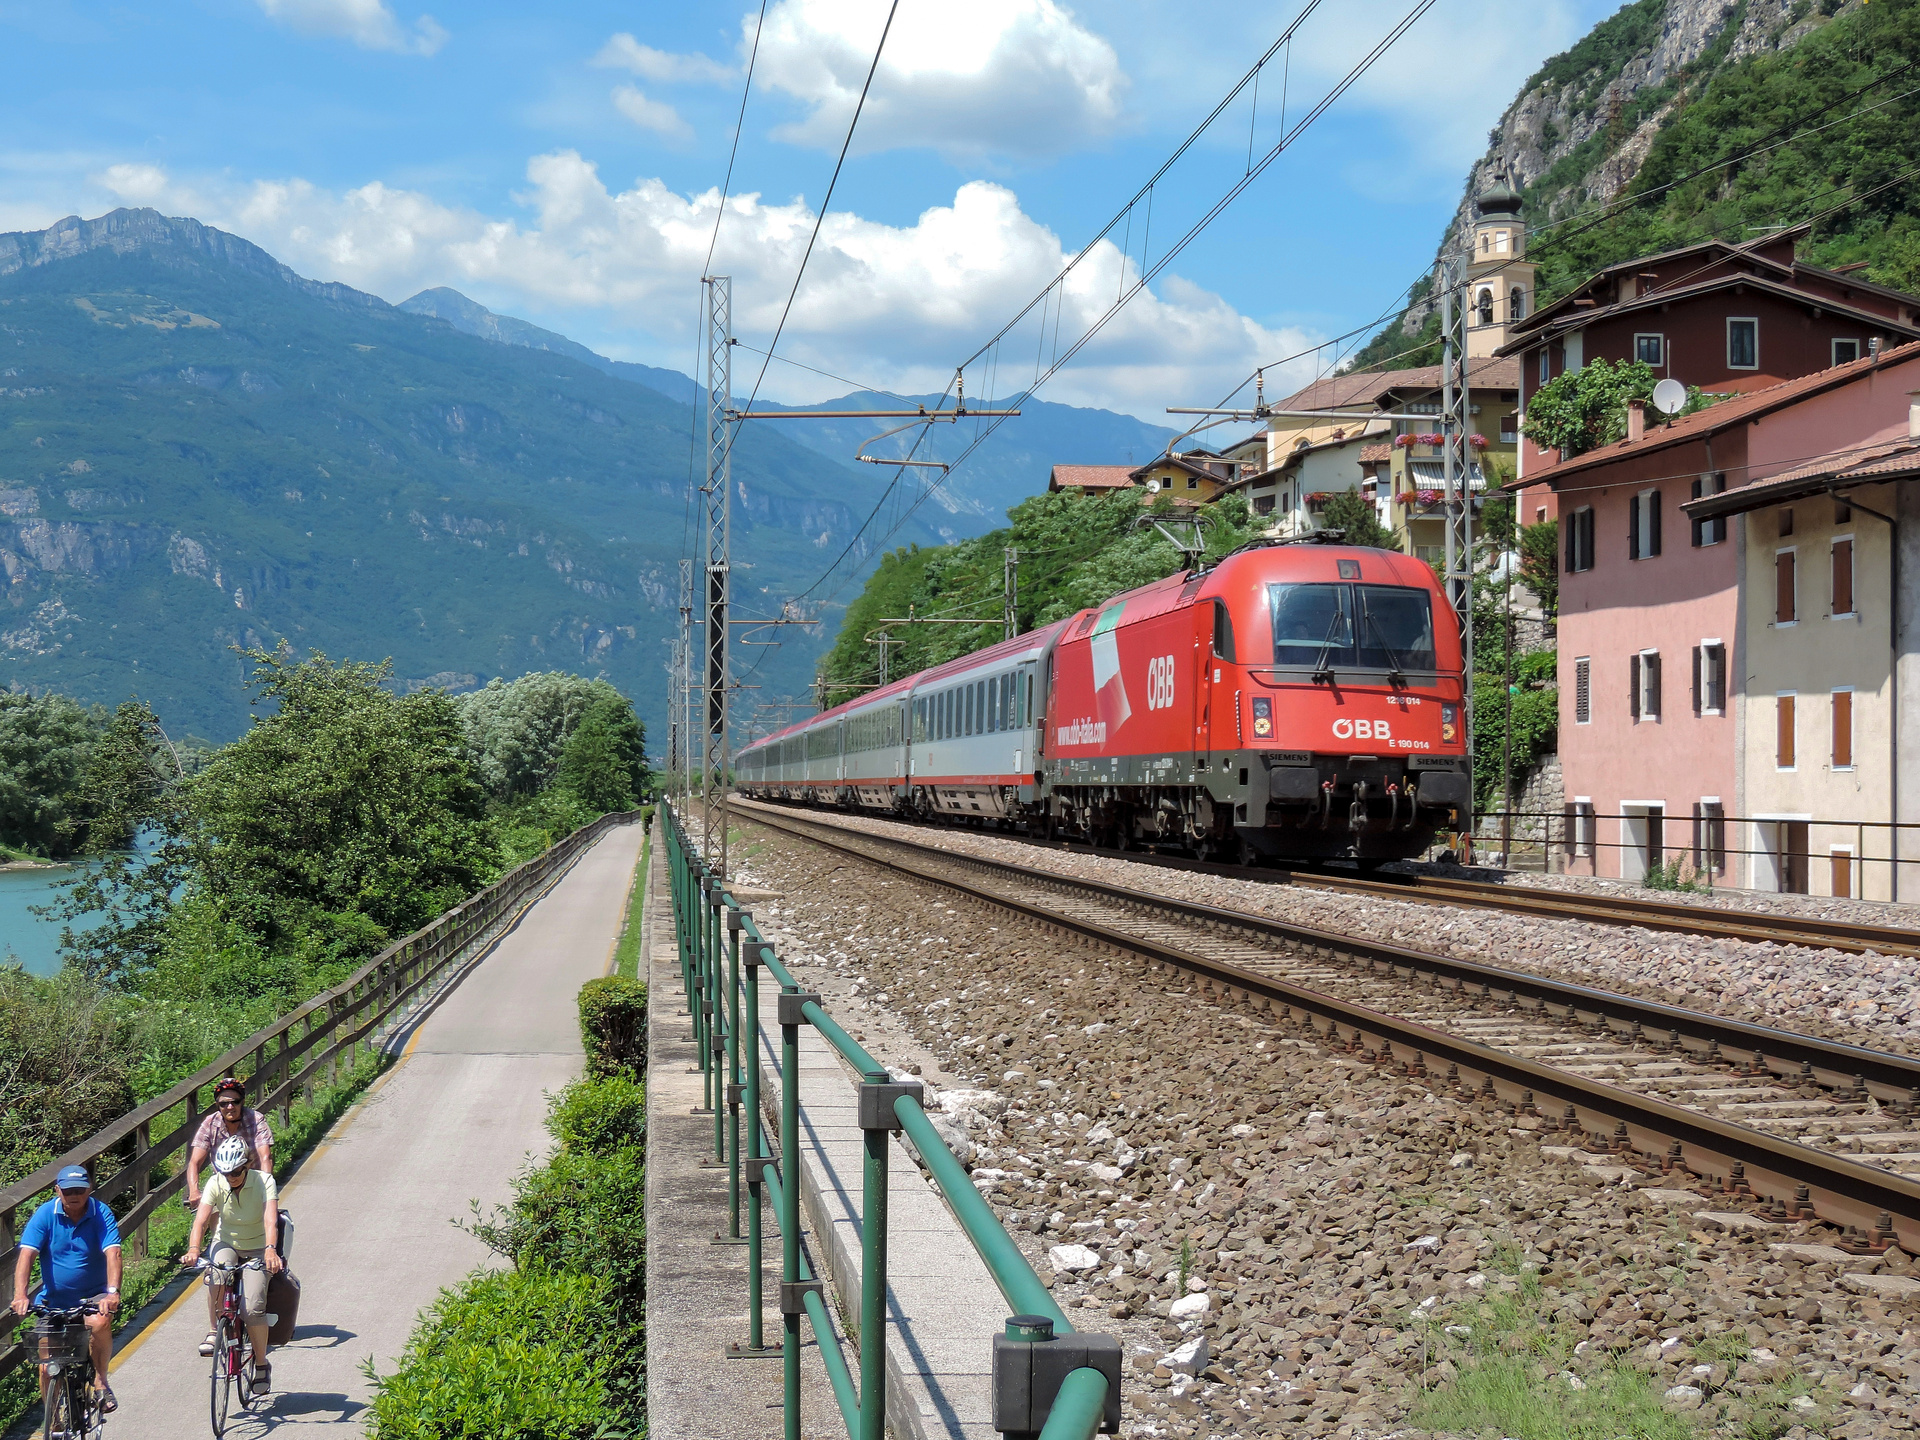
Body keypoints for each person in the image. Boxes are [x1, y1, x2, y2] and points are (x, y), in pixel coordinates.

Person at [9, 1166, 122, 1416]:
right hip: (54, 1301)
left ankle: (101, 1381)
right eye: (68, 1190)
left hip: (94, 1295)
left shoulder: (100, 1213)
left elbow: (113, 1253)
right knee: (45, 1366)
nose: (74, 1195)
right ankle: (54, 1418)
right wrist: (20, 1294)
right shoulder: (45, 1214)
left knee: (100, 1322)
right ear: (57, 1190)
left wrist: (112, 1292)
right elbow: (27, 1255)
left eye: (80, 1190)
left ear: (89, 1189)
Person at [181, 1136, 284, 1393]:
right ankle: (215, 1330)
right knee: (215, 1274)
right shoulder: (216, 1182)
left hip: (259, 1247)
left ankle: (261, 1364)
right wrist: (194, 1249)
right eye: (227, 1172)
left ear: (247, 1165)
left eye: (236, 1171)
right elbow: (201, 1221)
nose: (232, 1177)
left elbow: (271, 1220)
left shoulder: (264, 1181)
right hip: (226, 1242)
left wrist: (271, 1250)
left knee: (252, 1310)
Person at [184, 1076, 273, 1205]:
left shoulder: (255, 1120)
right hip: (224, 1183)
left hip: (253, 1181)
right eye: (224, 1104)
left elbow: (265, 1157)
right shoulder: (210, 1123)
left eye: (235, 1102)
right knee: (207, 1219)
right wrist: (193, 1191)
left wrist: (265, 1188)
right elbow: (195, 1162)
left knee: (265, 1221)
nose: (230, 1107)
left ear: (242, 1102)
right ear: (217, 1105)